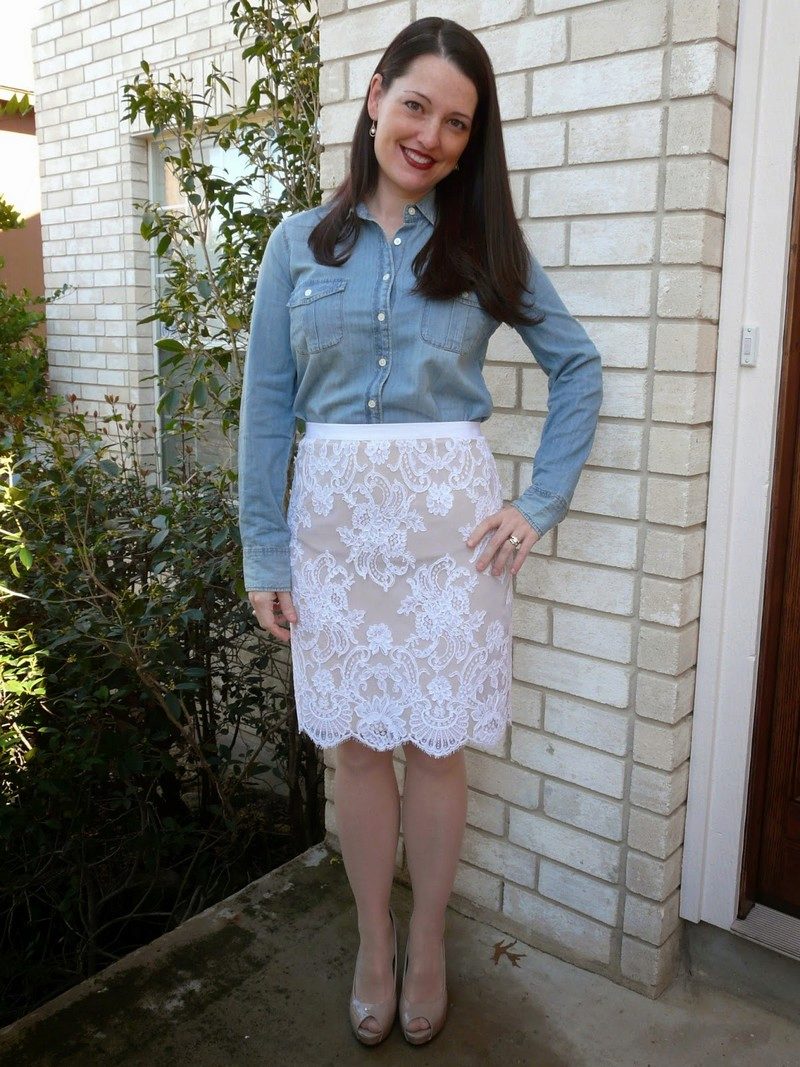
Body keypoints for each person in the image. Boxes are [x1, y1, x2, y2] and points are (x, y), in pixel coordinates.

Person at [237, 16, 603, 1047]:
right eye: (415, 106)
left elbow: (576, 365)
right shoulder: (297, 246)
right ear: (374, 98)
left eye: (455, 123)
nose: (429, 136)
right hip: (333, 537)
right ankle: (373, 939)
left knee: (437, 750)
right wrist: (264, 551)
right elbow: (266, 409)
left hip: (449, 538)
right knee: (358, 750)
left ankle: (428, 940)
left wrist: (536, 503)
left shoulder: (481, 245)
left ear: (470, 138)